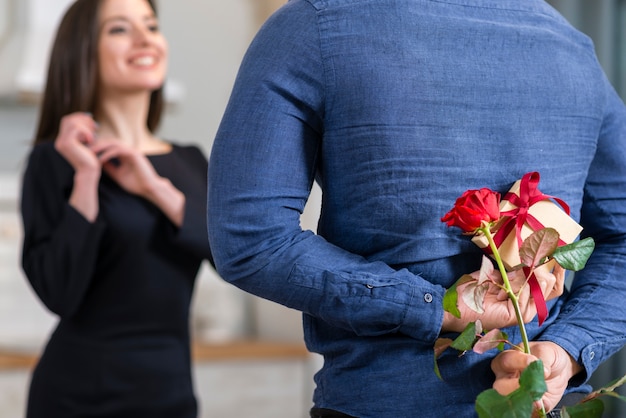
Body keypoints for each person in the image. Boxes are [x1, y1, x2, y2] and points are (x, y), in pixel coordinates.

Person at [207, 0, 626, 417]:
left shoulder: (313, 27)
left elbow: (251, 239)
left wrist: (433, 307)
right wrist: (565, 349)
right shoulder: (571, 45)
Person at [19, 0, 212, 417]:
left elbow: (234, 257)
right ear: (83, 50)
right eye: (120, 29)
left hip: (172, 396)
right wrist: (87, 178)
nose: (146, 39)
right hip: (76, 398)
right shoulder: (54, 162)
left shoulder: (191, 163)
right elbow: (59, 292)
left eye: (151, 25)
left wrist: (155, 189)